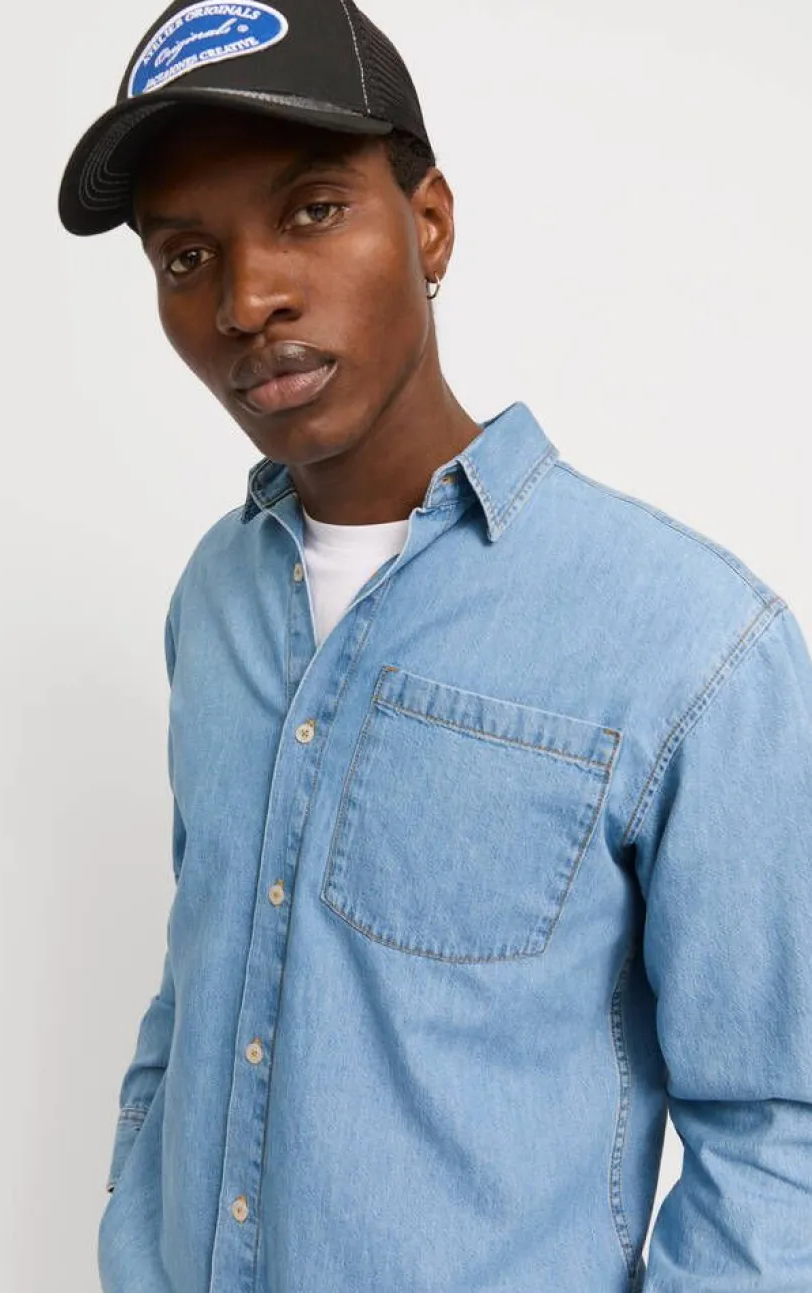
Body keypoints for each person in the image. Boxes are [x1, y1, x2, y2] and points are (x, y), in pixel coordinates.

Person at [58, 2, 812, 1289]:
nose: (247, 299)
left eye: (310, 211)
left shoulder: (693, 645)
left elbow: (778, 1133)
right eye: (186, 257)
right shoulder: (214, 599)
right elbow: (200, 983)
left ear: (429, 224)